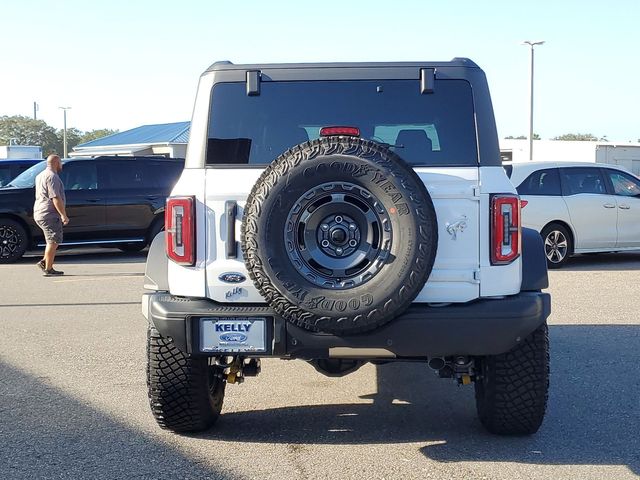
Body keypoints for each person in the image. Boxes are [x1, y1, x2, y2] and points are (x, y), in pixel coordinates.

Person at [33, 154, 69, 276]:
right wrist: (63, 215)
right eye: (60, 163)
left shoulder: (40, 175)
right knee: (53, 241)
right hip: (49, 214)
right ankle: (48, 268)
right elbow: (55, 197)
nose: (61, 165)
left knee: (52, 240)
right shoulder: (53, 177)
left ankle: (44, 261)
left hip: (39, 212)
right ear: (56, 163)